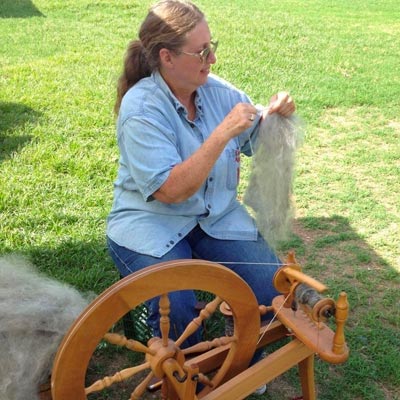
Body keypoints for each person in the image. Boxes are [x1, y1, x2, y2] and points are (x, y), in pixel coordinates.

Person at [106, 0, 295, 350]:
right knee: (176, 309)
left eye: (213, 47)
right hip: (150, 223)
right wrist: (221, 133)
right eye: (202, 51)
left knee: (275, 291)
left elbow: (256, 138)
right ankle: (177, 374)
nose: (213, 59)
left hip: (214, 217)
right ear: (167, 57)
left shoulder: (220, 92)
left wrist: (277, 114)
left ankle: (240, 362)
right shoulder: (141, 109)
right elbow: (171, 190)